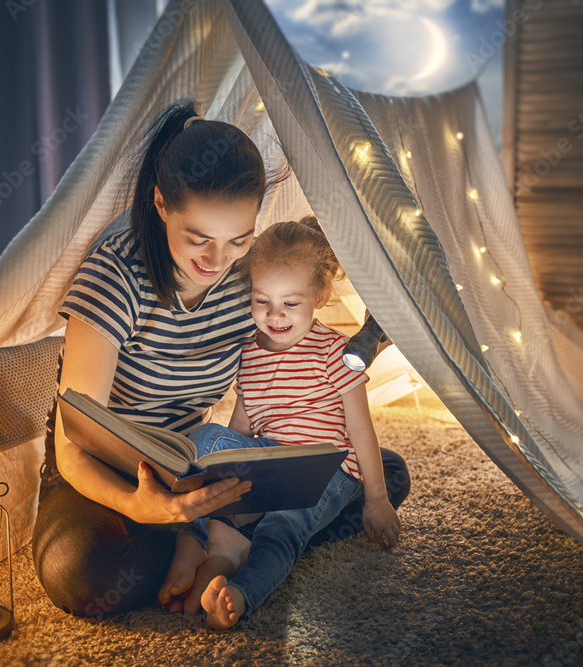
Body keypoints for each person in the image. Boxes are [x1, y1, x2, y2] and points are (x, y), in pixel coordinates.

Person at [32, 100, 411, 618]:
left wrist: (367, 337)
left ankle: (226, 536)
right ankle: (237, 539)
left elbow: (295, 350)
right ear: (162, 204)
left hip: (196, 463)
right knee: (84, 576)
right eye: (198, 239)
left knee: (382, 475)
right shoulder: (115, 279)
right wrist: (139, 504)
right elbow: (74, 442)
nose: (217, 260)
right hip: (109, 474)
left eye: (239, 239)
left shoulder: (245, 281)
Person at [158, 217, 405, 629]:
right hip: (272, 464)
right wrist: (219, 469)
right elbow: (241, 425)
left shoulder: (335, 353)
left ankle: (241, 593)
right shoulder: (250, 352)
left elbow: (361, 430)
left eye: (290, 303)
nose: (275, 316)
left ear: (320, 295)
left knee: (282, 526)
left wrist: (377, 499)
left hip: (326, 468)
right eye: (262, 300)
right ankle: (194, 541)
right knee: (203, 437)